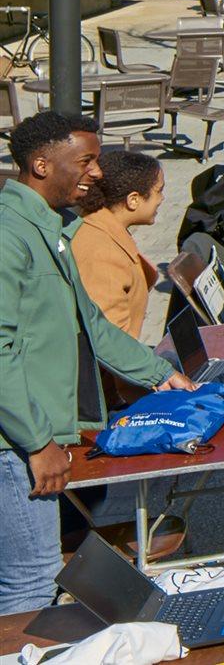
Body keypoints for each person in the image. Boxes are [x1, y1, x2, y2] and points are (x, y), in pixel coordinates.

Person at [0, 114, 193, 615]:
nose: (97, 173)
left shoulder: (51, 226)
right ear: (40, 164)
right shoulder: (9, 233)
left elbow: (91, 324)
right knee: (30, 583)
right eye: (85, 160)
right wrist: (38, 442)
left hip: (33, 430)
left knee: (40, 573)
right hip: (15, 441)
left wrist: (159, 374)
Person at [71, 149, 164, 339]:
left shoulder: (102, 228)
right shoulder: (101, 253)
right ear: (134, 200)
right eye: (159, 191)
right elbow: (110, 340)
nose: (162, 199)